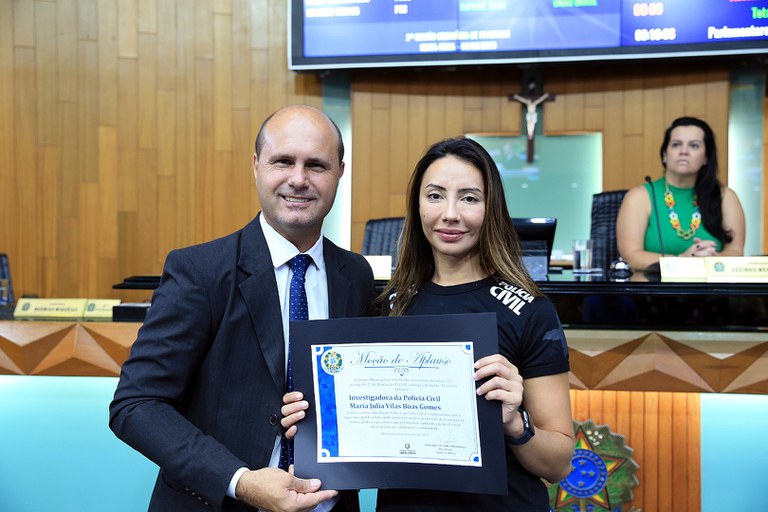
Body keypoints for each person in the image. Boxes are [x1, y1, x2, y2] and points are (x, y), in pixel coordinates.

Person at [282, 137, 575, 511]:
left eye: (469, 198)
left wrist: (516, 424)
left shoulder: (529, 310)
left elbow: (558, 465)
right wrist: (315, 420)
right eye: (435, 196)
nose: (450, 214)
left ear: (491, 208)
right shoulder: (386, 307)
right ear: (417, 206)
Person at [109, 105, 375, 512]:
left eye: (316, 165)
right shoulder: (199, 270)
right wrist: (241, 481)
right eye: (283, 161)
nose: (298, 179)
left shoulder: (355, 275)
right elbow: (136, 405)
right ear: (256, 166)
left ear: (340, 172)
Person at [616, 116, 745, 271]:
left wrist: (710, 260)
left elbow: (735, 251)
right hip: (653, 285)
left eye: (694, 145)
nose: (683, 151)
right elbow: (631, 256)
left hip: (711, 284)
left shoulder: (726, 197)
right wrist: (681, 261)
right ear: (665, 154)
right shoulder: (639, 197)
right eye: (676, 144)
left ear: (706, 157)